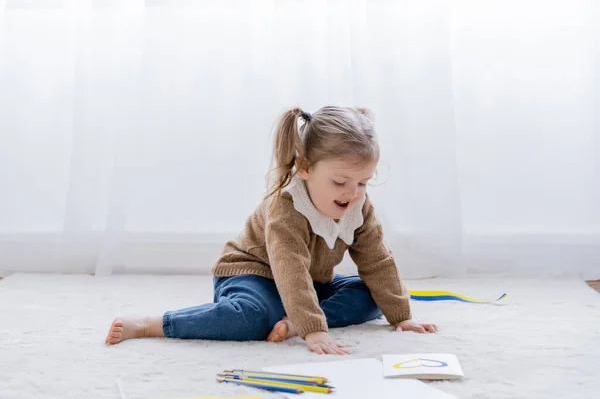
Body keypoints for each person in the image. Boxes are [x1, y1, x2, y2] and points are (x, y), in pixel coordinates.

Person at [105, 106, 438, 355]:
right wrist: (314, 332)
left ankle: (293, 320)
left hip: (305, 284)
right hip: (252, 275)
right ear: (305, 167)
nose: (352, 193)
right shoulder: (287, 206)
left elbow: (378, 261)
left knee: (370, 295)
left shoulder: (359, 208)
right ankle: (153, 324)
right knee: (250, 319)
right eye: (340, 182)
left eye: (363, 182)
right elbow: (289, 269)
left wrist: (401, 316)